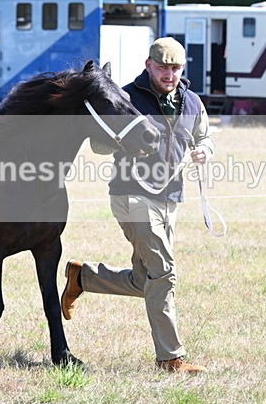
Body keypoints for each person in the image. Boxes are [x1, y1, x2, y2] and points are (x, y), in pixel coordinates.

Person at [61, 37, 214, 374]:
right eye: (162, 67)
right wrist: (122, 143)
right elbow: (100, 145)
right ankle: (171, 358)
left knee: (145, 279)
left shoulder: (192, 102)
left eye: (175, 68)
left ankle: (83, 277)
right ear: (149, 65)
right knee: (164, 273)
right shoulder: (126, 97)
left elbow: (203, 137)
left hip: (170, 197)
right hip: (131, 195)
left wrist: (205, 151)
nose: (169, 74)